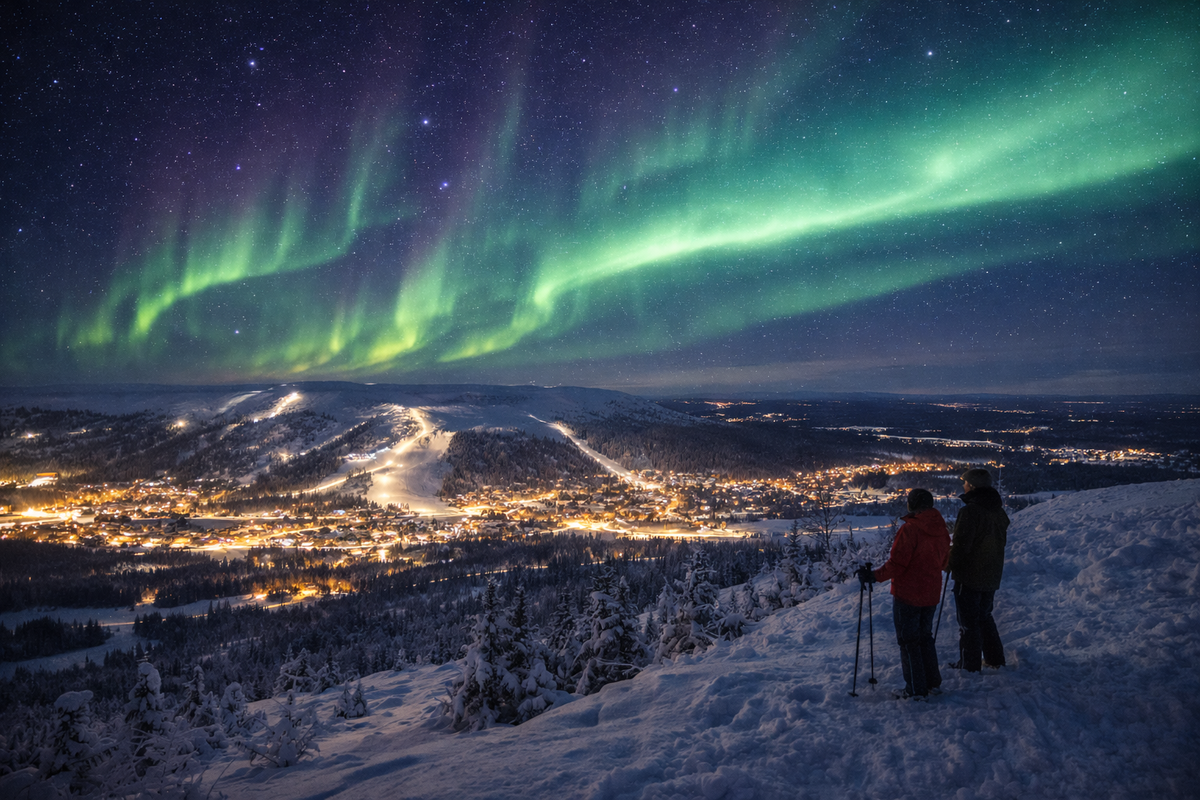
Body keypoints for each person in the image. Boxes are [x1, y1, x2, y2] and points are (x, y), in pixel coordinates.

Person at [856, 488, 950, 699]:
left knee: (908, 642)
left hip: (909, 594)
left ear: (912, 505)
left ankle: (916, 689)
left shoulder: (910, 530)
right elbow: (944, 561)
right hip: (931, 593)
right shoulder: (941, 529)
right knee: (925, 638)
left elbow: (897, 564)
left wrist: (874, 576)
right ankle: (933, 683)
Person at [947, 467, 1010, 672]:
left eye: (965, 483)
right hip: (991, 573)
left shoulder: (970, 511)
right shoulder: (997, 511)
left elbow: (962, 545)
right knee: (984, 616)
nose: (963, 486)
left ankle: (970, 664)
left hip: (971, 574)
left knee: (968, 620)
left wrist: (951, 563)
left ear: (972, 486)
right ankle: (994, 658)